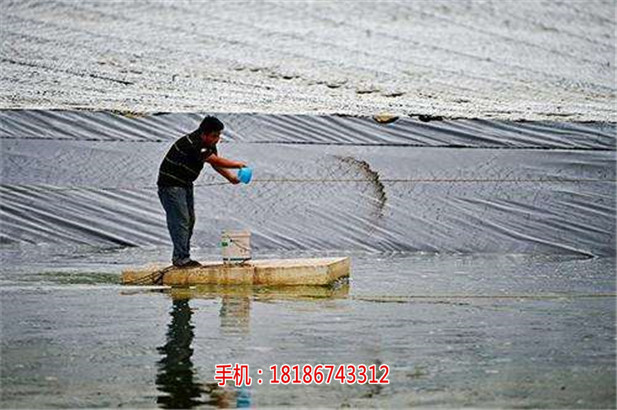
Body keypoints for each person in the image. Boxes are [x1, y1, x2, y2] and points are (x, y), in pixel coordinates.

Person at [157, 116, 246, 268]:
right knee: (181, 221)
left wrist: (230, 177)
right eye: (214, 136)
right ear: (204, 134)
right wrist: (237, 165)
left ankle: (183, 256)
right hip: (170, 185)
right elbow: (215, 161)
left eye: (218, 136)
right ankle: (180, 259)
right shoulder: (194, 143)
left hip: (185, 184)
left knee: (190, 220)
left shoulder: (208, 144)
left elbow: (213, 162)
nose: (217, 139)